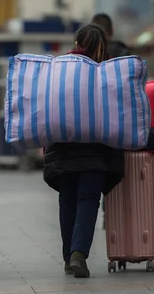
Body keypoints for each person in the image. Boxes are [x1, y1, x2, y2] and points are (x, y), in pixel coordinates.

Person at [43, 23, 125, 278]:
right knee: (88, 200)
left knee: (67, 201)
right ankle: (79, 254)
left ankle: (69, 258)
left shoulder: (62, 67)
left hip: (63, 149)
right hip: (96, 152)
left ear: (77, 41)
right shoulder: (110, 69)